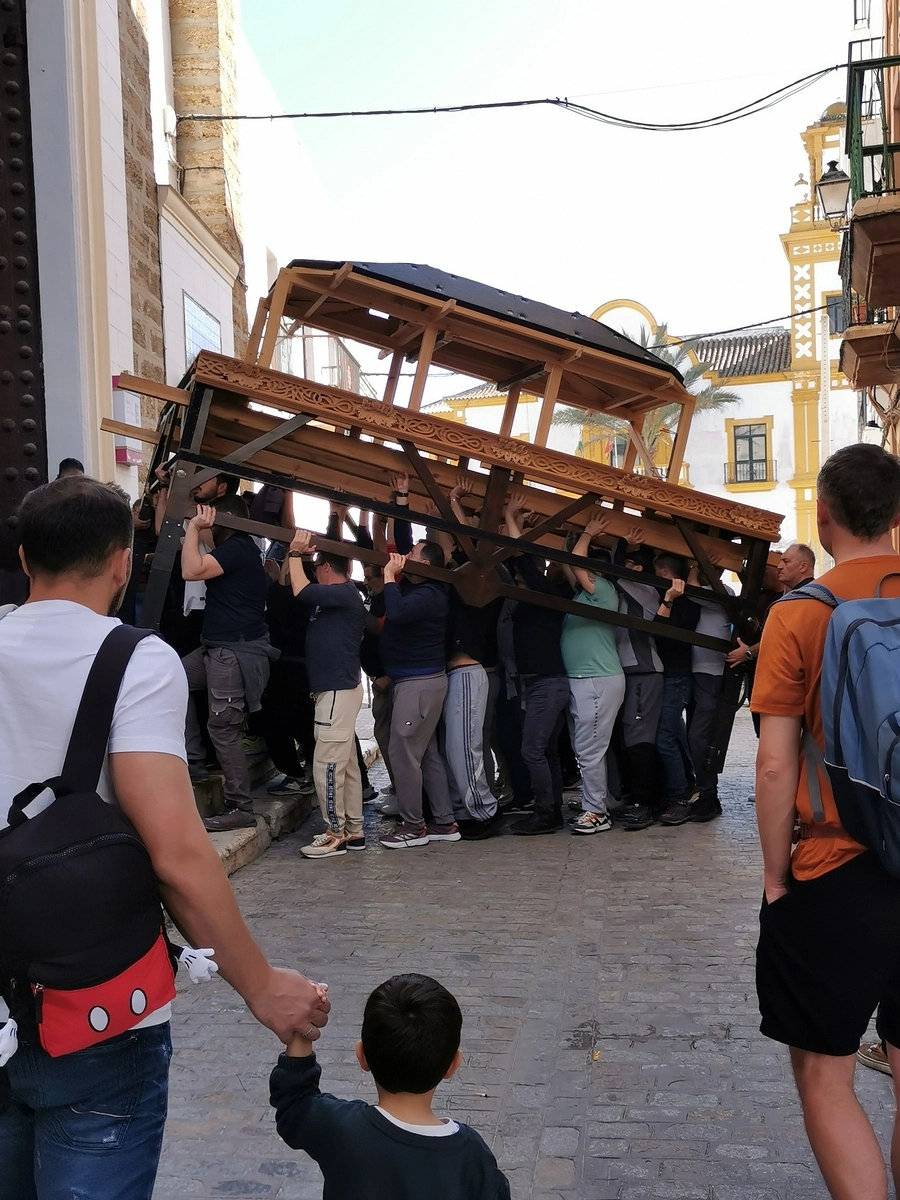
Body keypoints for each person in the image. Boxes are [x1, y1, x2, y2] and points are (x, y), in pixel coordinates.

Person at [0, 477, 329, 1199]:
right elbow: (176, 854)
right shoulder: (133, 660)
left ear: (25, 559)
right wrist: (262, 988)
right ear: (123, 562)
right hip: (96, 1006)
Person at [751, 442, 900, 1199]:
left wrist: (776, 877)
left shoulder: (800, 613)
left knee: (824, 1072)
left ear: (823, 515)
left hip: (840, 865)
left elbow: (776, 765)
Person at [269, 973, 510, 1199]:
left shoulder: (341, 1129)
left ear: (362, 1056)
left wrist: (302, 1028)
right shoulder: (472, 1157)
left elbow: (295, 1103)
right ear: (453, 1065)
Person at [181, 495, 278, 832]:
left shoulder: (238, 548)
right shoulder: (240, 550)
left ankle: (240, 806)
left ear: (223, 520)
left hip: (232, 653)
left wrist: (194, 527)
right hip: (218, 649)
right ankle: (194, 762)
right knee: (173, 678)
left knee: (223, 728)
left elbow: (190, 570)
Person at [288, 532, 367, 859]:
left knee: (327, 765)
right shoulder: (337, 598)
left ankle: (335, 833)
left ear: (325, 569)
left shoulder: (344, 593)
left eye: (315, 568)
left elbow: (300, 589)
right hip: (335, 689)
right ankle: (354, 830)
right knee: (345, 764)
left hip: (336, 690)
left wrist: (295, 554)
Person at [378, 543, 458, 848]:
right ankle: (444, 821)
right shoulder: (419, 589)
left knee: (403, 752)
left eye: (411, 554)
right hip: (415, 682)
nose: (404, 556)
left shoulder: (431, 594)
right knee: (426, 754)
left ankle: (413, 826)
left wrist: (389, 576)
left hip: (419, 684)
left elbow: (398, 613)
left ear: (424, 564)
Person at [504, 493, 571, 835]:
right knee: (547, 751)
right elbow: (516, 561)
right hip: (541, 682)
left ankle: (546, 812)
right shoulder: (536, 595)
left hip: (548, 682)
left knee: (532, 749)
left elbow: (522, 560)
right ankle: (551, 810)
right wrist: (518, 524)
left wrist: (510, 516)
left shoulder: (548, 594)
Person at [559, 517, 626, 834]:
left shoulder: (603, 591)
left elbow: (575, 563)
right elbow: (568, 562)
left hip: (597, 680)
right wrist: (572, 536)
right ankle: (596, 800)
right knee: (584, 747)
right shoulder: (583, 596)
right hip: (584, 680)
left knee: (590, 749)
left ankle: (597, 812)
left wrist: (587, 533)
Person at [652, 554, 701, 827]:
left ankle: (679, 797)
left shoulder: (684, 603)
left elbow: (660, 631)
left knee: (665, 738)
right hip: (672, 675)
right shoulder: (685, 602)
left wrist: (668, 599)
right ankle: (687, 784)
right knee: (675, 734)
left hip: (677, 676)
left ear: (664, 572)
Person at [687, 557, 735, 823]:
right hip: (701, 670)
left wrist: (694, 567)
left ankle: (708, 793)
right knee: (696, 734)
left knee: (699, 736)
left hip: (709, 671)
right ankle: (705, 792)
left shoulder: (721, 592)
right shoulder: (719, 593)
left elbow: (691, 589)